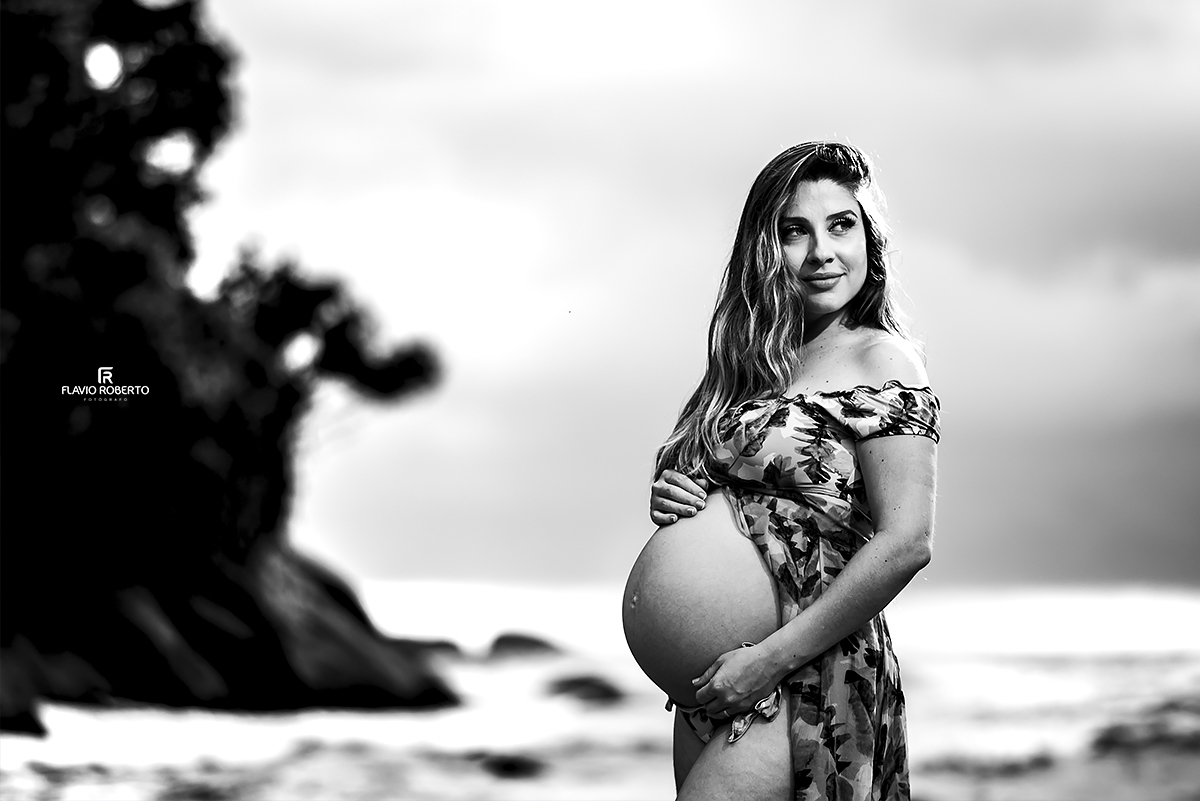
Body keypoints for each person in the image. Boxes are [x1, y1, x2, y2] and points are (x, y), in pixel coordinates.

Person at [649, 141, 939, 800]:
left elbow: (907, 542)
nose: (821, 252)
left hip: (803, 674)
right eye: (794, 231)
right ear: (765, 246)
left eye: (841, 225)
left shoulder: (882, 362)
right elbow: (718, 491)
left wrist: (767, 661)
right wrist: (674, 494)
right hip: (716, 685)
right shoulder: (751, 365)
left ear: (872, 237)